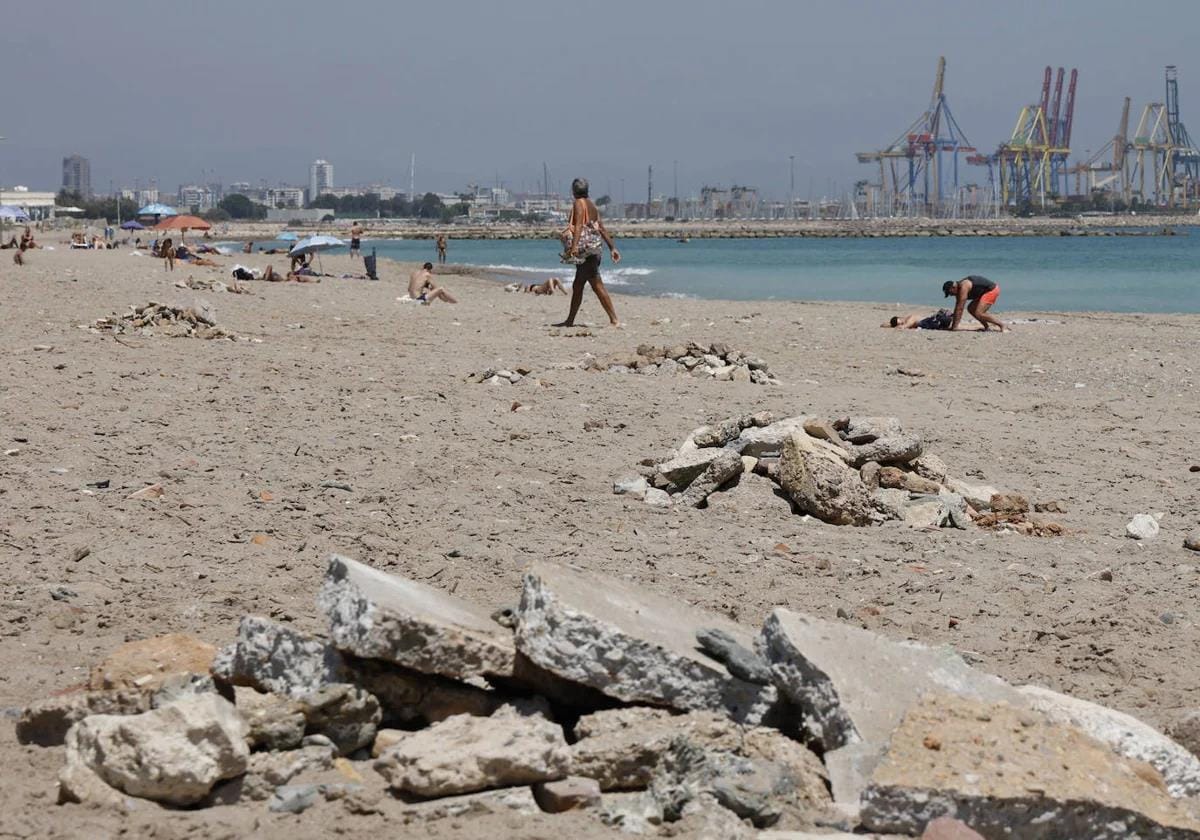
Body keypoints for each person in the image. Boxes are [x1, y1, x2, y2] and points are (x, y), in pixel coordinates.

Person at [555, 177, 620, 327]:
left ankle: (614, 319)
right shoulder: (592, 205)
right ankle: (570, 320)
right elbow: (601, 228)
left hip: (586, 251)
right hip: (594, 249)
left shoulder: (579, 203)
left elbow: (578, 226)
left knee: (596, 284)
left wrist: (574, 247)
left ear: (573, 191)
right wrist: (612, 248)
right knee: (578, 285)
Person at [942, 275, 1007, 332]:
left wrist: (954, 327)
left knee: (979, 312)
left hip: (992, 290)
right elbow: (957, 308)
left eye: (950, 293)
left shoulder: (964, 286)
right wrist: (953, 325)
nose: (951, 295)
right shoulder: (958, 290)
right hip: (982, 293)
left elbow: (960, 308)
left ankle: (1002, 325)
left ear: (953, 287)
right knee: (971, 309)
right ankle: (987, 327)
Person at [883, 310, 952, 330]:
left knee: (952, 326)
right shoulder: (908, 320)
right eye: (900, 324)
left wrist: (902, 326)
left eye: (901, 322)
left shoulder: (911, 318)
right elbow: (883, 325)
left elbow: (905, 326)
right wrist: (890, 325)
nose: (902, 324)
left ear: (901, 318)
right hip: (931, 322)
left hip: (932, 321)